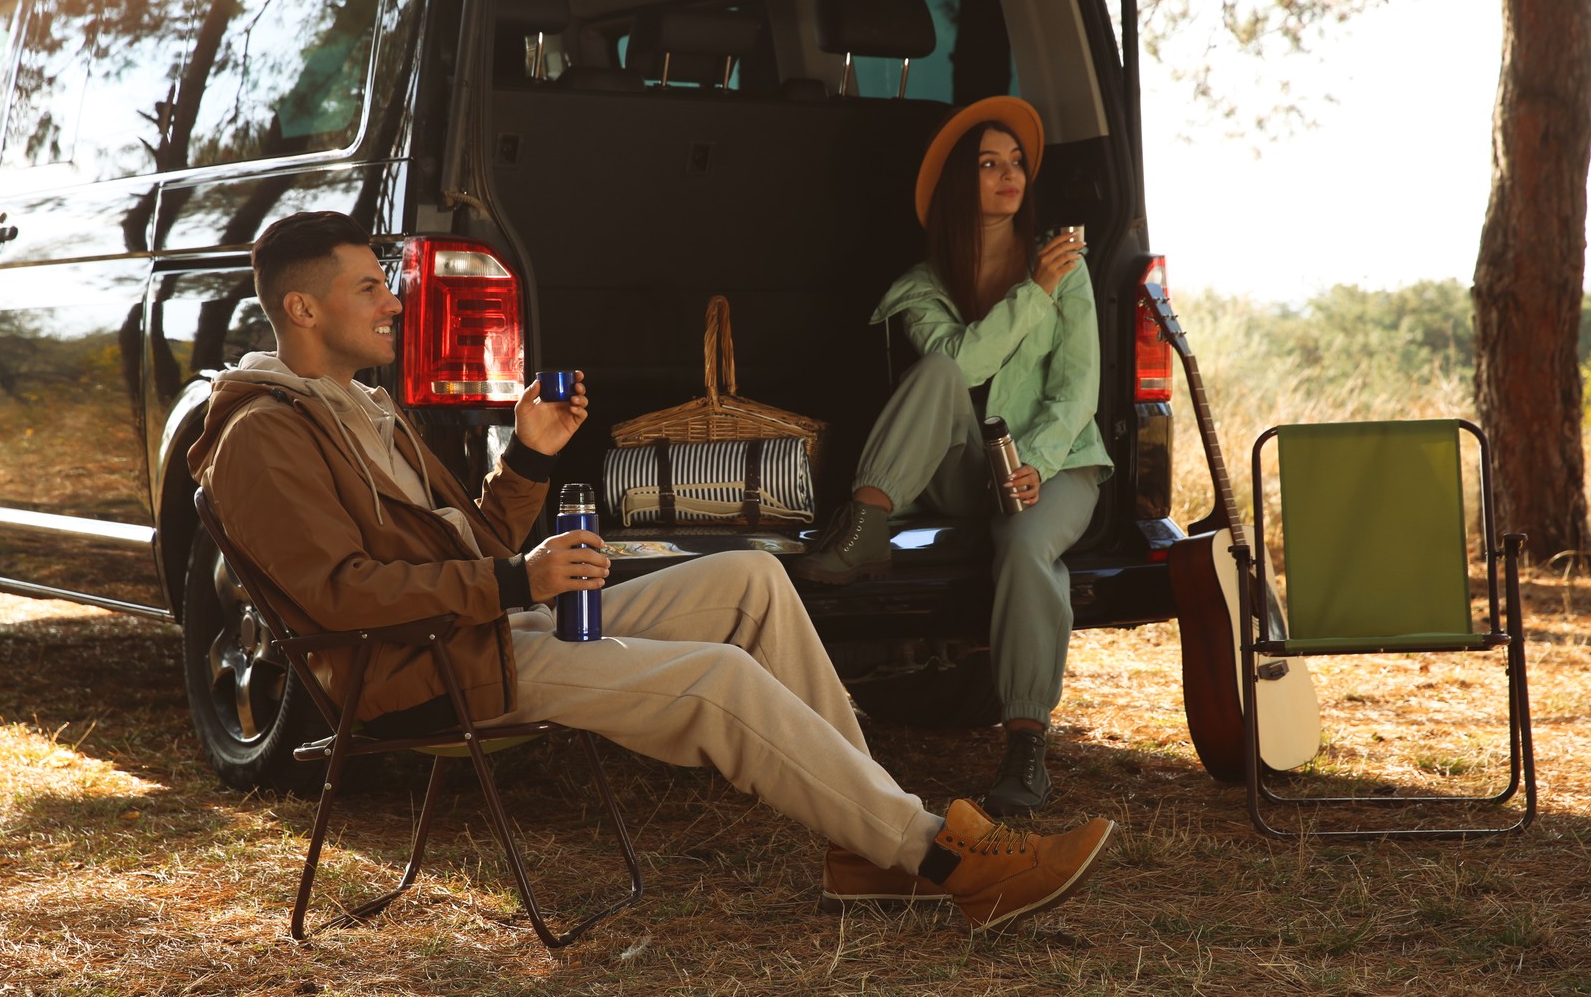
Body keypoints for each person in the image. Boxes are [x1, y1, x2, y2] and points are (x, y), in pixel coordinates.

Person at [187, 210, 1117, 936]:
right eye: (368, 288)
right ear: (302, 309)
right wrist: (518, 584)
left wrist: (531, 462)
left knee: (750, 577)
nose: (394, 300)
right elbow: (339, 598)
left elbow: (468, 539)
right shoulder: (264, 435)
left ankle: (867, 843)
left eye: (385, 282)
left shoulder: (367, 407)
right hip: (421, 669)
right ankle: (941, 858)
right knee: (717, 679)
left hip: (484, 627)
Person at [792, 96, 1114, 818]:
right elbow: (961, 368)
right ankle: (865, 524)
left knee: (1028, 548)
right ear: (953, 187)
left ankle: (1025, 749)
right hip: (964, 470)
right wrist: (1034, 293)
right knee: (937, 371)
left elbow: (1078, 388)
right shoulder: (921, 288)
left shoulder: (1065, 265)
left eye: (1018, 163)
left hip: (1057, 467)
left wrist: (1034, 459)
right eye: (989, 163)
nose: (1009, 175)